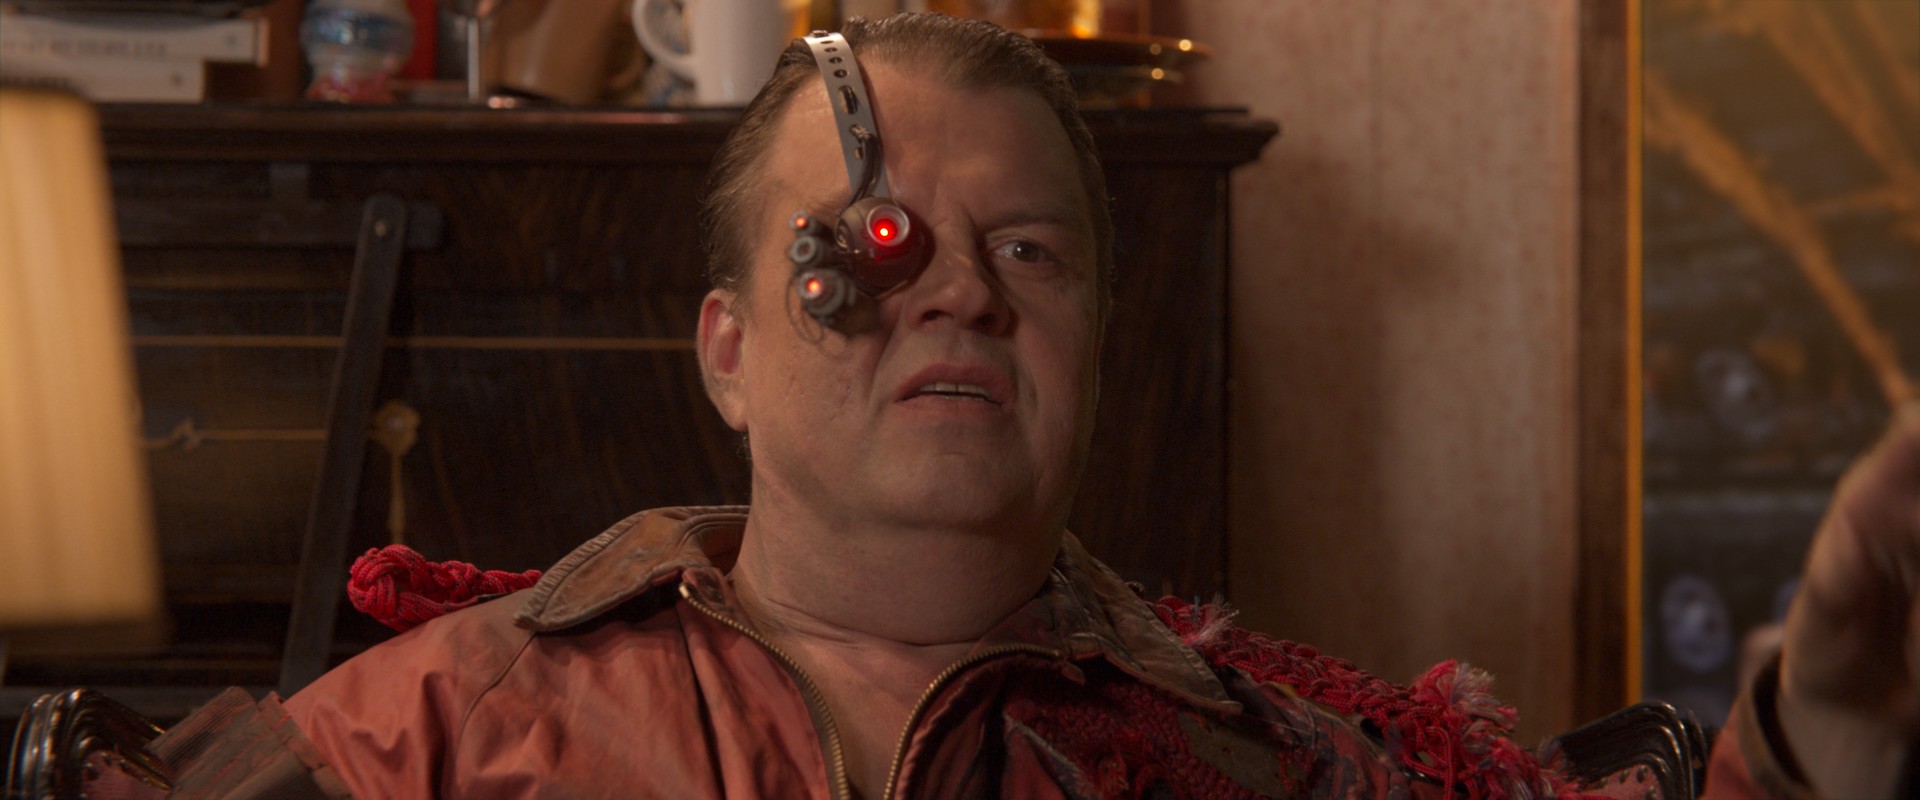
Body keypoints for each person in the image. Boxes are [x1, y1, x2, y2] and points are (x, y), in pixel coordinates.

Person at [143, 13, 1918, 799]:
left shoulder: (1277, 766)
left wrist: (1833, 702)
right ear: (729, 352)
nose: (966, 294)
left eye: (1030, 254)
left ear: (1096, 351)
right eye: (887, 246)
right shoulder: (436, 735)